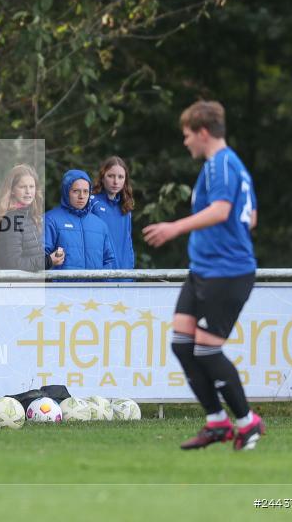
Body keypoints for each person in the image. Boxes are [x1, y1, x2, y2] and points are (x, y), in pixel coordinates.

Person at [143, 100, 263, 451]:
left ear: (203, 133)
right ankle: (217, 422)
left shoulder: (222, 164)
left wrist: (176, 228)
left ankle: (247, 422)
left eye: (187, 135)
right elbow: (250, 218)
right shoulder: (227, 166)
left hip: (227, 273)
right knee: (182, 344)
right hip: (204, 270)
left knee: (208, 351)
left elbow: (223, 210)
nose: (185, 142)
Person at [0, 164, 64, 271]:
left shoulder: (30, 216)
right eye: (22, 187)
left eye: (31, 187)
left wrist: (51, 258)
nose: (28, 191)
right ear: (12, 190)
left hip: (31, 281)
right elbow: (13, 264)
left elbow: (32, 256)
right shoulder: (10, 220)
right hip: (14, 282)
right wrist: (48, 261)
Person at [44, 170, 116, 272]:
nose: (81, 196)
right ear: (66, 191)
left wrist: (102, 281)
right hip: (61, 282)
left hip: (94, 283)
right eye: (76, 191)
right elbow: (39, 258)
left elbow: (109, 261)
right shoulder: (50, 219)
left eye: (86, 191)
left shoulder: (100, 225)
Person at [90, 156, 135, 269]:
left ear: (125, 180)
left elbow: (128, 242)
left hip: (124, 271)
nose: (116, 181)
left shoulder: (126, 206)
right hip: (100, 270)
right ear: (102, 177)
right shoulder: (92, 202)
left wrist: (130, 268)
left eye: (120, 177)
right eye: (111, 176)